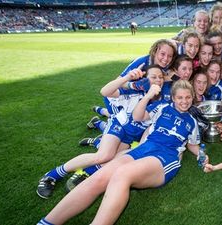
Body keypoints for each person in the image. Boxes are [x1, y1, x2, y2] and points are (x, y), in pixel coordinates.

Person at [37, 80, 208, 225]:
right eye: (180, 97)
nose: (184, 101)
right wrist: (148, 96)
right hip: (145, 148)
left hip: (165, 157)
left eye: (187, 97)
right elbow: (138, 117)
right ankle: (46, 222)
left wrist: (200, 153)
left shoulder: (192, 122)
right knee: (100, 176)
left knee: (122, 174)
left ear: (192, 98)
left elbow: (192, 144)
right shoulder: (162, 107)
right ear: (173, 97)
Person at [37, 65, 166, 198]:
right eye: (153, 77)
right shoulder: (136, 91)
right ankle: (51, 176)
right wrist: (128, 77)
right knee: (104, 156)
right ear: (145, 78)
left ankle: (88, 169)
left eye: (160, 77)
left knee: (118, 158)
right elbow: (105, 91)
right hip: (119, 127)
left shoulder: (162, 100)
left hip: (131, 136)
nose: (158, 80)